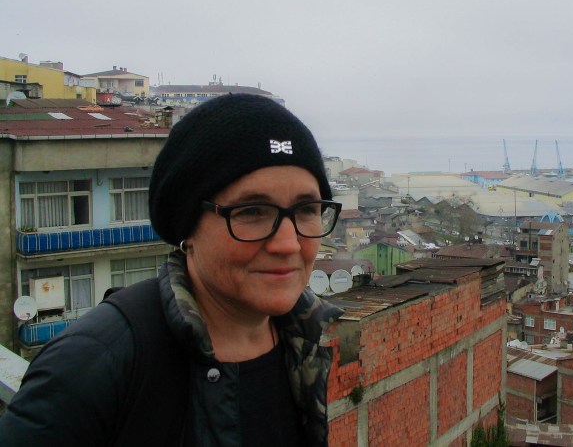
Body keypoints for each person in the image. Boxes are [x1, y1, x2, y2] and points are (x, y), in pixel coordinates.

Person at [0, 94, 344, 446]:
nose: (288, 244)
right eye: (252, 212)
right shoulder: (91, 365)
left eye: (306, 209)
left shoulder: (303, 342)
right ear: (187, 228)